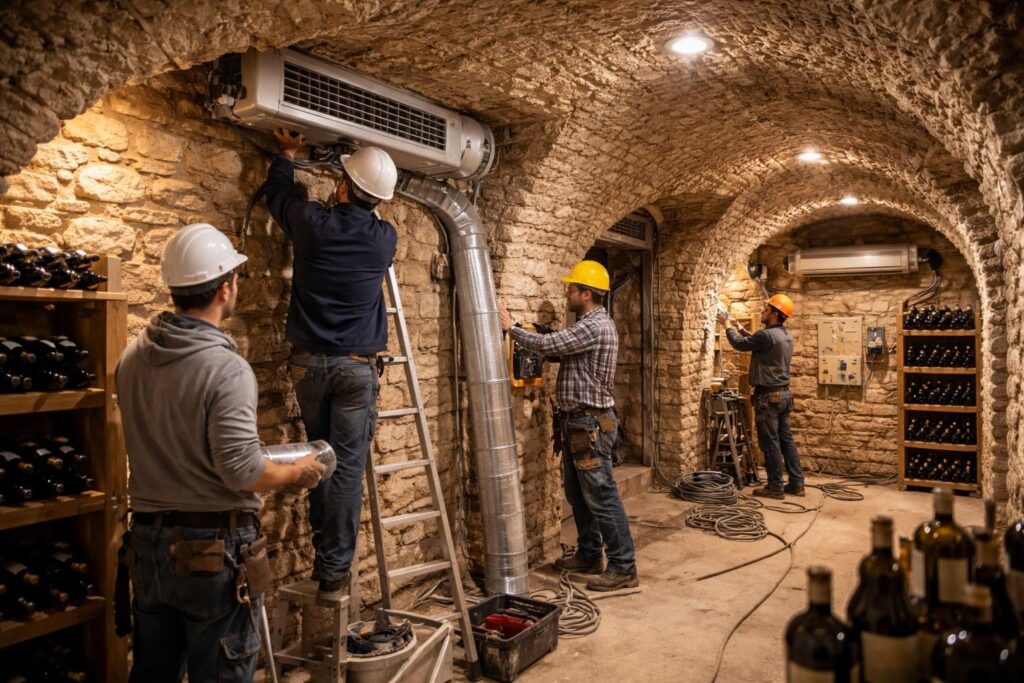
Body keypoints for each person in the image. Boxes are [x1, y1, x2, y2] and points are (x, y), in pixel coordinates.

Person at [116, 222, 326, 682]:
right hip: (210, 551)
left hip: (149, 544)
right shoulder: (226, 369)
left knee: (154, 671)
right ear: (225, 289)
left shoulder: (132, 358)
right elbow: (242, 471)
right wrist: (297, 472)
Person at [264, 129, 399, 598]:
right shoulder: (385, 239)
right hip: (355, 368)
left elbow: (278, 197)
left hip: (308, 367)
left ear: (342, 188)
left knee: (322, 459)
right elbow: (366, 210)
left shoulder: (310, 224)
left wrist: (285, 154)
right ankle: (334, 567)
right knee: (343, 466)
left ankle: (327, 555)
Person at [499, 260, 639, 592]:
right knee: (578, 494)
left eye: (572, 289)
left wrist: (511, 329)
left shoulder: (594, 326)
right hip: (579, 424)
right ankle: (591, 554)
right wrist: (538, 331)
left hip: (589, 424)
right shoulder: (590, 327)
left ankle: (623, 566)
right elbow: (563, 349)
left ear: (586, 294)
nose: (567, 292)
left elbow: (551, 347)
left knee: (602, 496)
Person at [717, 294, 805, 499]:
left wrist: (727, 325)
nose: (762, 312)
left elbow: (740, 344)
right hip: (783, 396)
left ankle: (775, 487)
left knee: (770, 443)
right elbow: (754, 341)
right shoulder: (784, 335)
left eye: (766, 309)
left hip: (768, 399)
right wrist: (740, 327)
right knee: (786, 441)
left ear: (775, 314)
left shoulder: (766, 336)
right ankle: (797, 483)